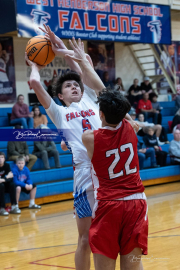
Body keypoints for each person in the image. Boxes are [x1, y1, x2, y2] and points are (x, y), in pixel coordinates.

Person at [27, 24, 138, 270]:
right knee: (86, 239)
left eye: (75, 84)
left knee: (116, 238)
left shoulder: (90, 96)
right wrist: (35, 62)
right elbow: (34, 82)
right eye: (67, 86)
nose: (73, 86)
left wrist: (62, 49)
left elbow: (82, 67)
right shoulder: (59, 112)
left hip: (109, 171)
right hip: (86, 175)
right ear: (61, 95)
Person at [82, 89, 148, 270]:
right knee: (133, 266)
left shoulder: (89, 138)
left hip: (109, 206)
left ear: (100, 113)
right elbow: (121, 114)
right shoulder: (131, 127)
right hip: (136, 204)